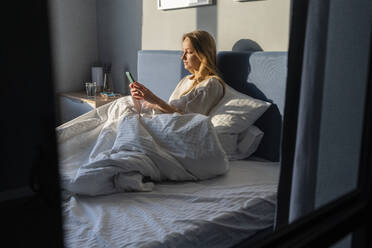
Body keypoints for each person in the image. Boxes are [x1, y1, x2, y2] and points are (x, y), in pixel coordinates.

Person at [130, 30, 225, 115]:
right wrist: (144, 98)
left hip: (176, 127)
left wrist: (155, 100)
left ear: (203, 55)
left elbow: (189, 121)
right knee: (126, 104)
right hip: (164, 118)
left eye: (189, 52)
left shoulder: (211, 84)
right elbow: (169, 108)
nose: (182, 57)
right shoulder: (186, 80)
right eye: (183, 52)